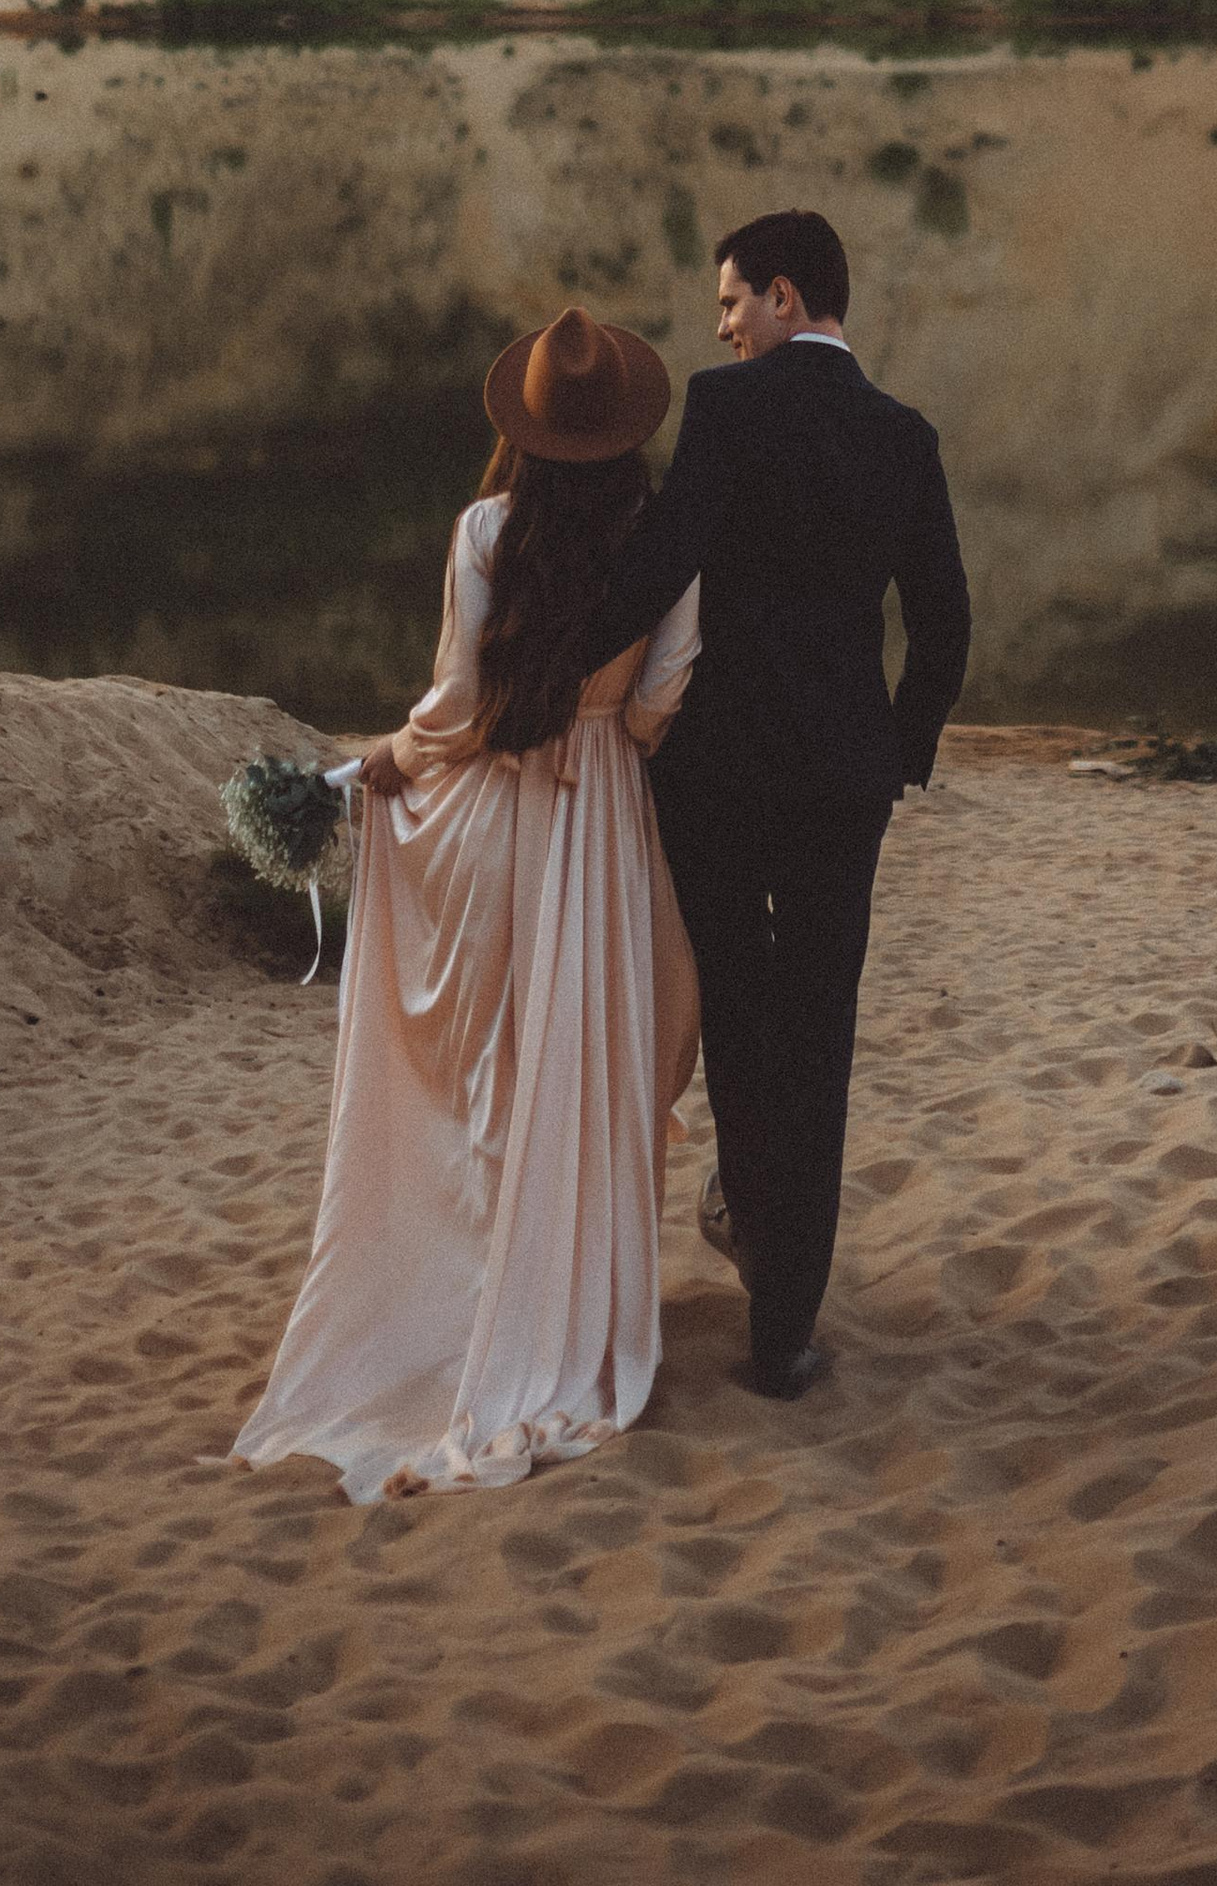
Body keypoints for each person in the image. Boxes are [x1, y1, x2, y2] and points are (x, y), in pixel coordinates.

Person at [233, 306, 702, 1501]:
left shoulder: (486, 526)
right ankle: (563, 1287)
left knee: (486, 1047)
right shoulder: (666, 535)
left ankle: (480, 1268)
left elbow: (457, 697)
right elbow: (659, 705)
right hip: (600, 819)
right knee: (584, 1054)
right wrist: (610, 731)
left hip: (491, 815)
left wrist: (391, 754)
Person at [582, 207, 969, 1399]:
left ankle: (752, 1218)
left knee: (740, 1020)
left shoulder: (726, 408)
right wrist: (897, 753)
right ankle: (785, 1326)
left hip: (718, 774)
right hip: (841, 782)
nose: (724, 325)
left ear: (789, 297)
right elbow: (943, 622)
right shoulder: (903, 437)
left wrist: (552, 660)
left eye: (735, 301)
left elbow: (663, 564)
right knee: (818, 1024)